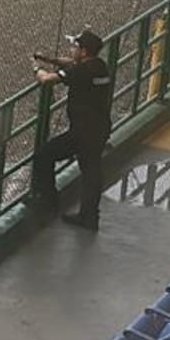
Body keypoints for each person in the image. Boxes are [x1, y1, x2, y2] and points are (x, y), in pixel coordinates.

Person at [33, 29, 117, 229]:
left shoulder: (81, 71)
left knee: (45, 155)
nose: (72, 50)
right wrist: (50, 59)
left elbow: (47, 80)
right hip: (99, 128)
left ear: (85, 51)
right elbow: (70, 64)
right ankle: (89, 216)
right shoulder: (99, 66)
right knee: (91, 171)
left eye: (75, 47)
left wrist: (37, 68)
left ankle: (49, 202)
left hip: (83, 132)